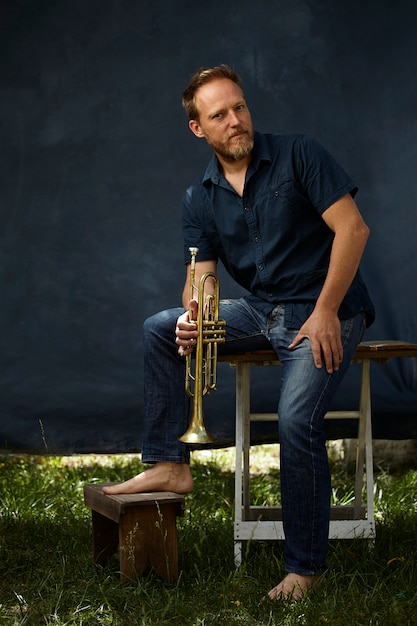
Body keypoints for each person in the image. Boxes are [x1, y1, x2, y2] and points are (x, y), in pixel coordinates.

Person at [104, 65, 375, 601]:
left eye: (240, 108)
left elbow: (354, 229)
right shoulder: (198, 198)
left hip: (326, 309)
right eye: (220, 115)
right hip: (260, 310)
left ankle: (305, 569)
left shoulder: (299, 153)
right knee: (160, 329)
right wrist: (192, 319)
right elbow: (200, 285)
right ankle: (168, 465)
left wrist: (326, 311)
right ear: (197, 128)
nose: (236, 121)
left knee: (296, 419)